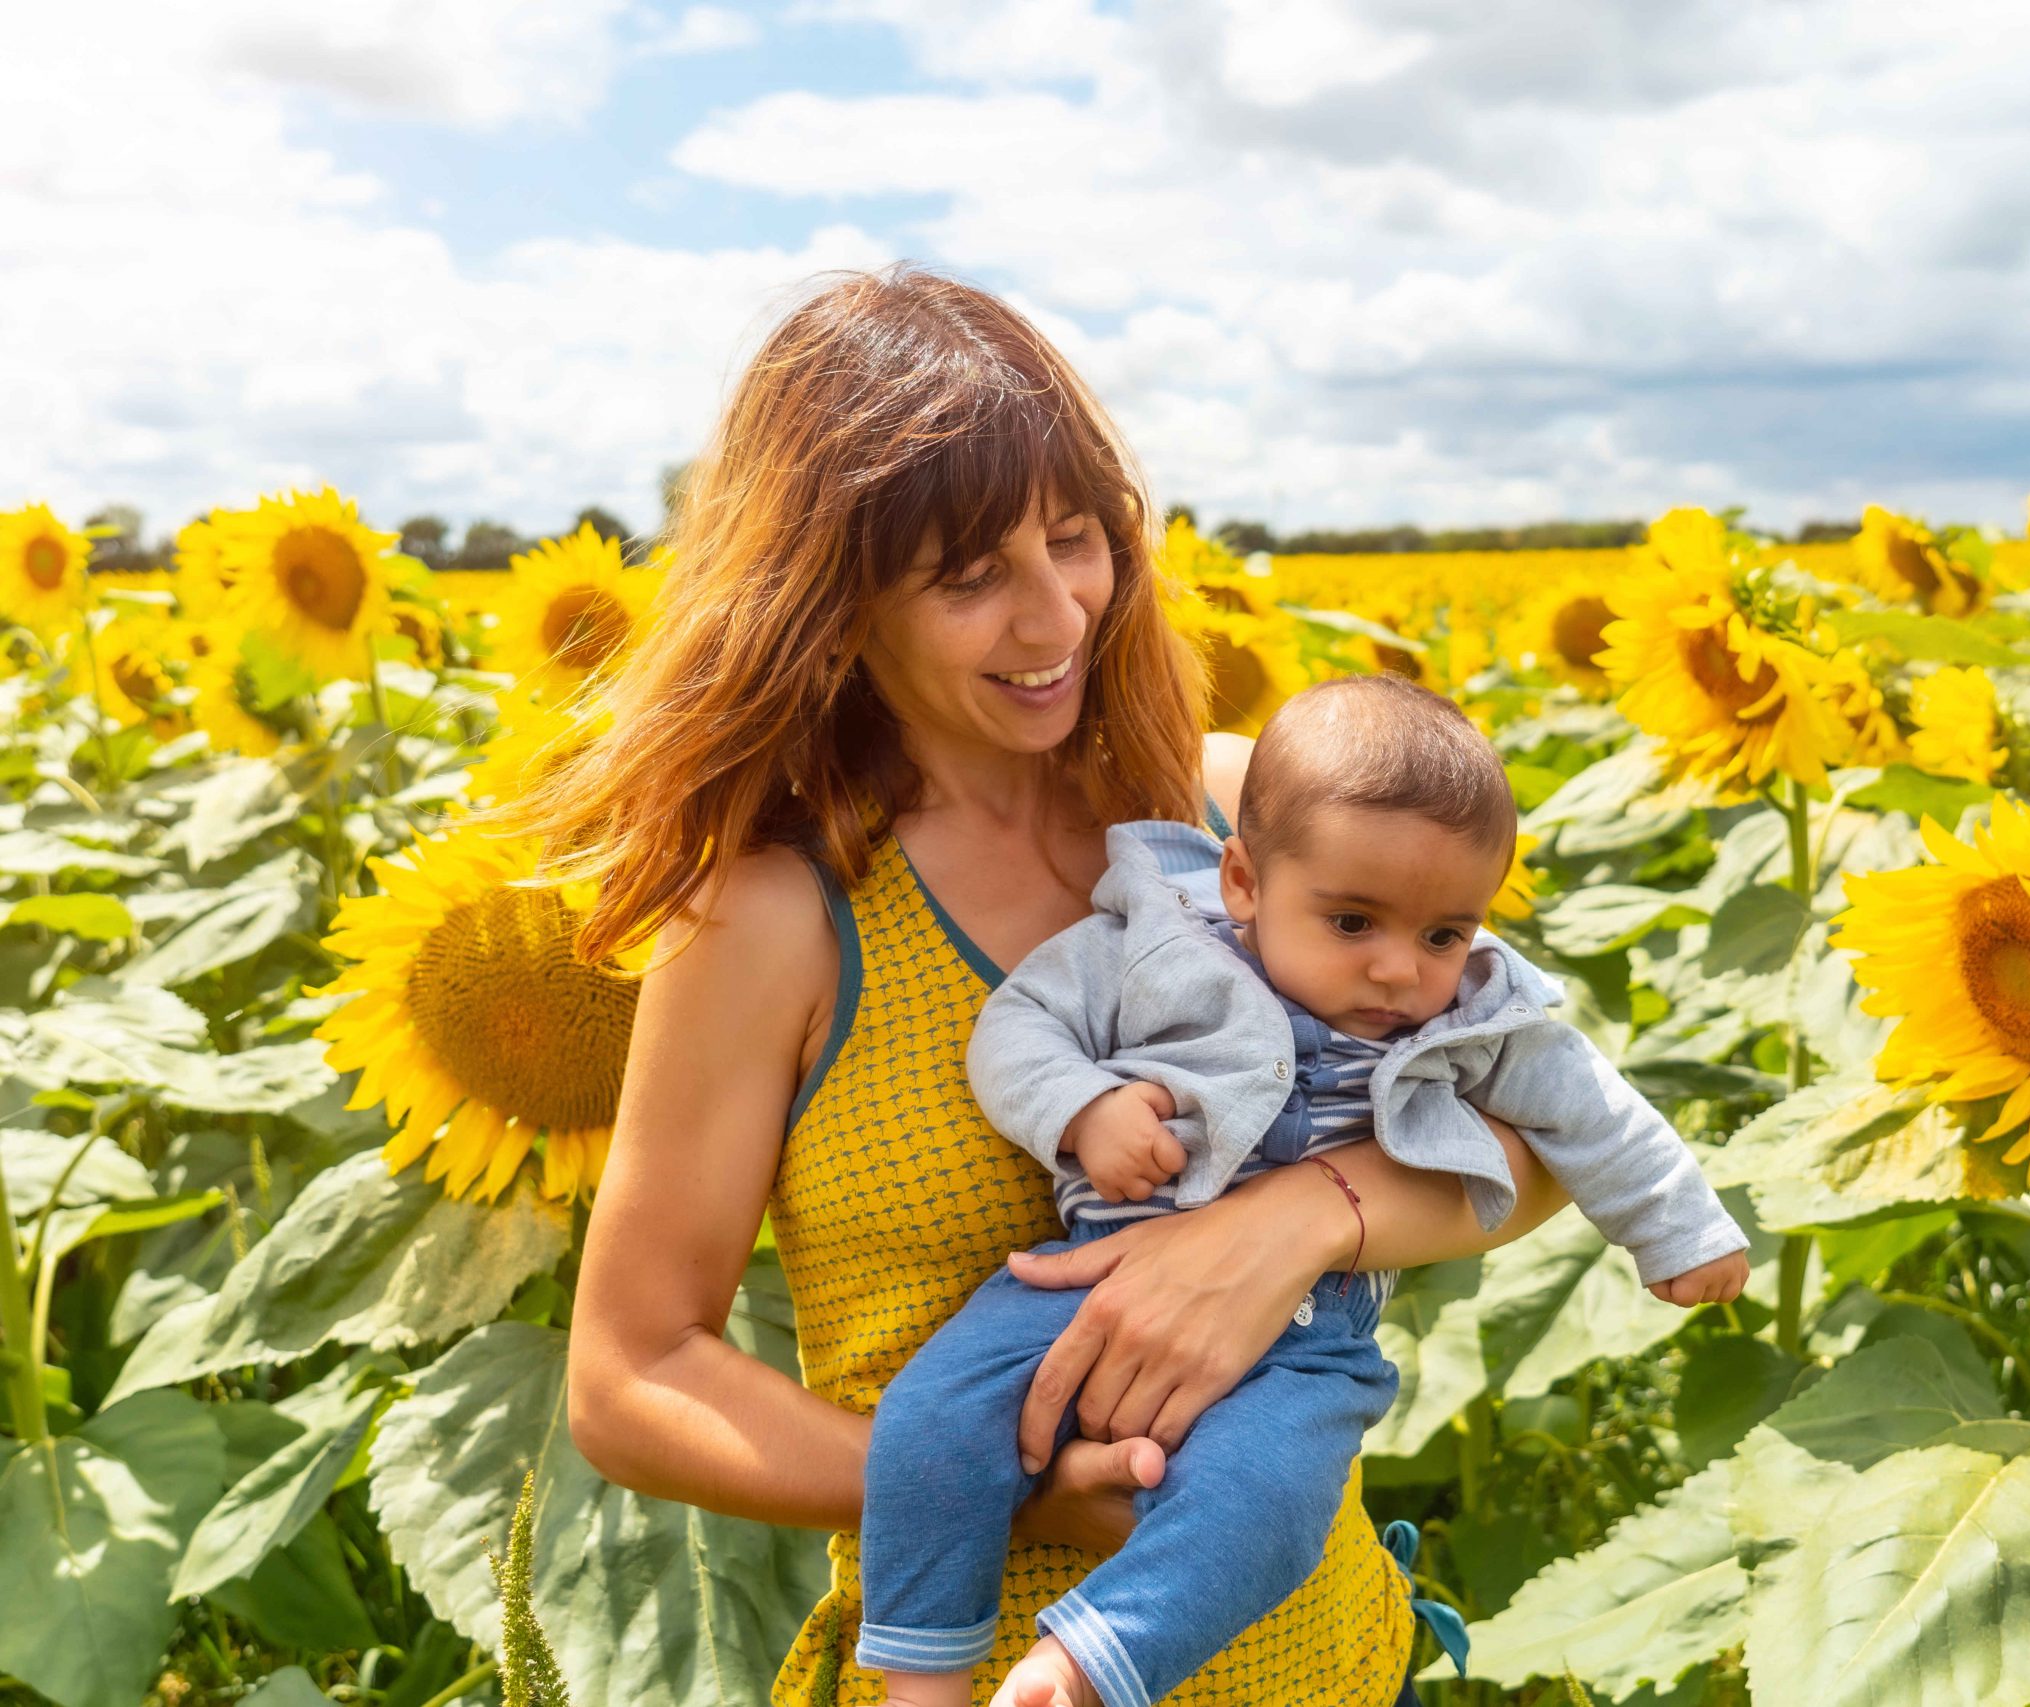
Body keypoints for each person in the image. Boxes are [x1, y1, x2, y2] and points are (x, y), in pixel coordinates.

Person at [537, 263, 1577, 1707]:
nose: (1056, 618)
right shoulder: (777, 914)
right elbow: (632, 1376)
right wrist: (1003, 1486)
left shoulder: (1233, 820)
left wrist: (1293, 1222)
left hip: (1334, 1662)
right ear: (838, 601)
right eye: (972, 580)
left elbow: (1543, 1139)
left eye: (1076, 540)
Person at [856, 674, 1752, 1707]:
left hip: (1309, 1339)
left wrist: (1679, 1229)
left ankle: (1089, 1666)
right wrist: (1081, 1113)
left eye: (1441, 934)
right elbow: (1020, 1027)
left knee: (1271, 1502)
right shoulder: (1154, 948)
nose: (1397, 973)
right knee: (931, 1416)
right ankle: (922, 1673)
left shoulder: (1466, 1016)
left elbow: (1587, 1102)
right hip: (1079, 1279)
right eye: (1353, 922)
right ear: (1241, 881)